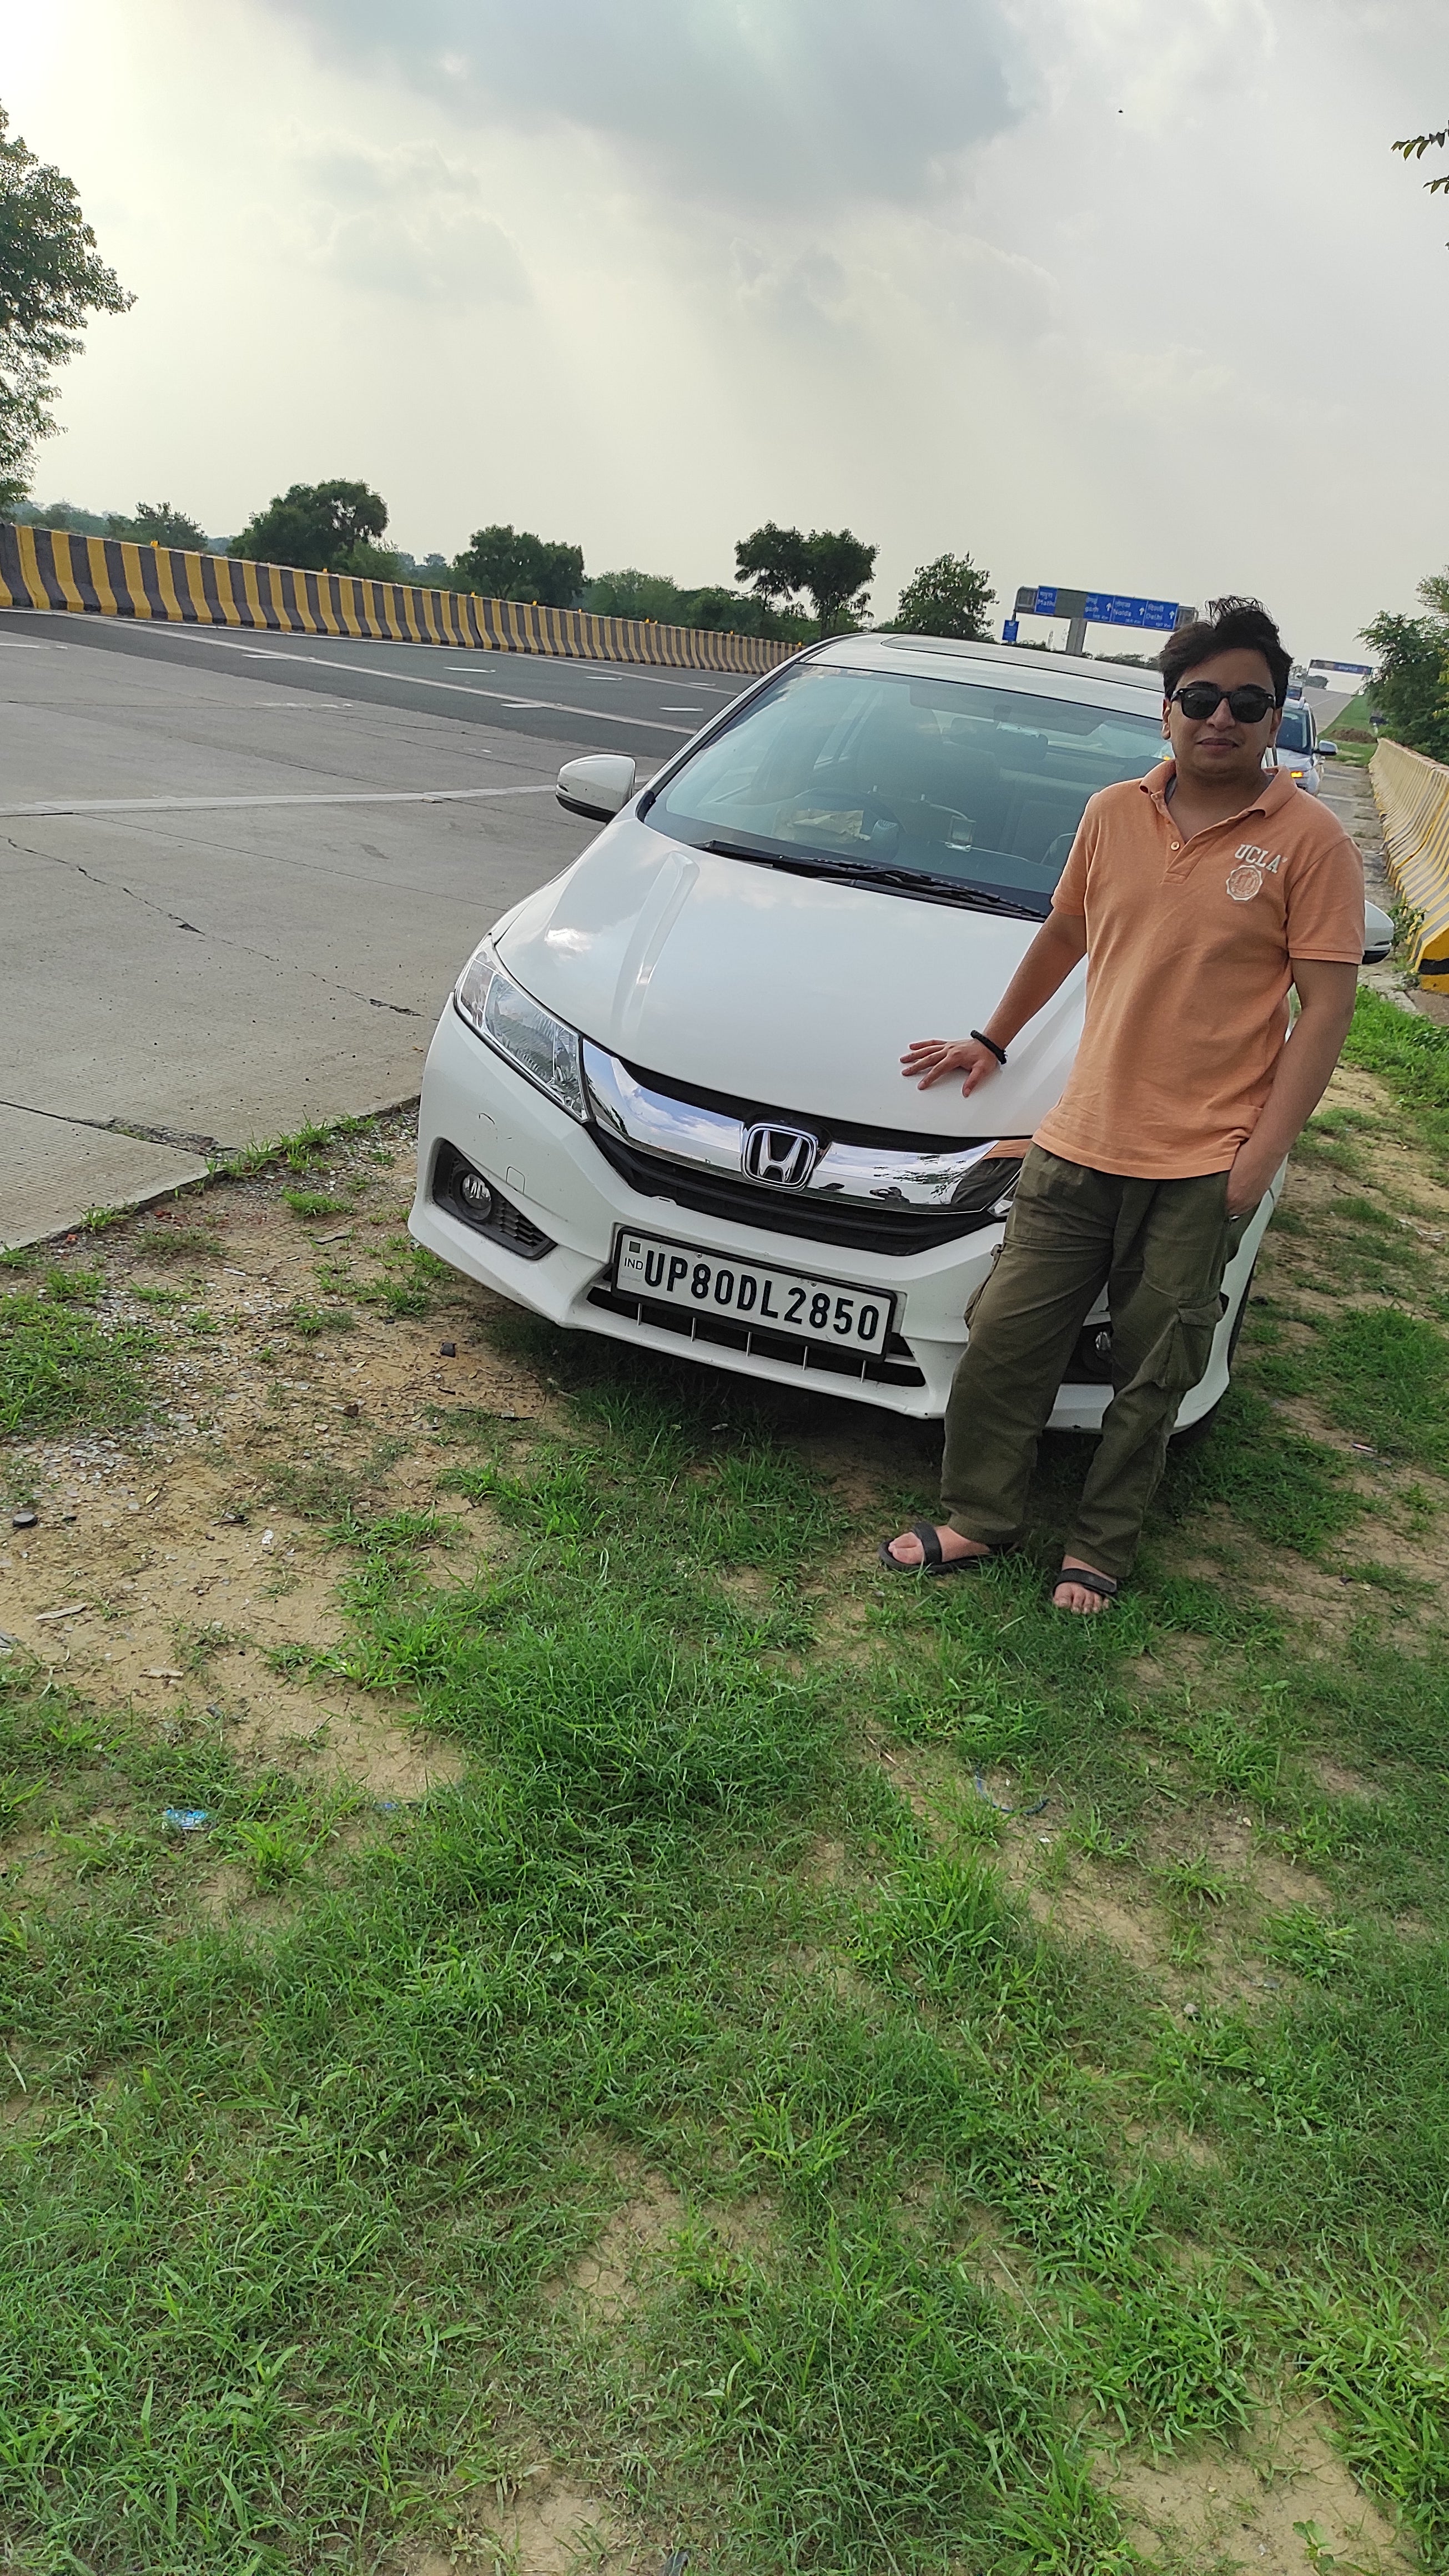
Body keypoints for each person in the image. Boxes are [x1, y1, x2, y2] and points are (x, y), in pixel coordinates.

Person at [880, 597, 1365, 1613]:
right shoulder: (1111, 814)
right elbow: (1065, 933)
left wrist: (1259, 1157)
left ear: (1273, 718)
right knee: (1006, 1336)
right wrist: (992, 1036)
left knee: (1153, 1371)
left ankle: (1098, 1547)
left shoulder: (1309, 842)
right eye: (1199, 696)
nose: (1219, 717)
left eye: (1246, 700)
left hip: (1201, 1161)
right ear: (1166, 709)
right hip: (1078, 1140)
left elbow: (1323, 1012)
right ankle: (980, 1517)